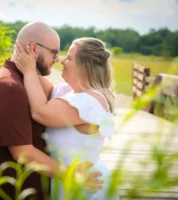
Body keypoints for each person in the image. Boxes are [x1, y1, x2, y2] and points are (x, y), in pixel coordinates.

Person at [0, 21, 102, 200]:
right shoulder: (9, 87)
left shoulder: (24, 80)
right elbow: (23, 153)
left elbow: (53, 94)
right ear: (34, 49)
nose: (57, 58)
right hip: (16, 194)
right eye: (53, 51)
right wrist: (73, 175)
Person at [13, 37, 119, 199]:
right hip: (70, 182)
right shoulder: (69, 93)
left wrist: (28, 70)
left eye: (69, 58)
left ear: (84, 67)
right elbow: (37, 84)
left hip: (88, 188)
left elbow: (41, 112)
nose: (62, 61)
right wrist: (29, 59)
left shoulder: (90, 101)